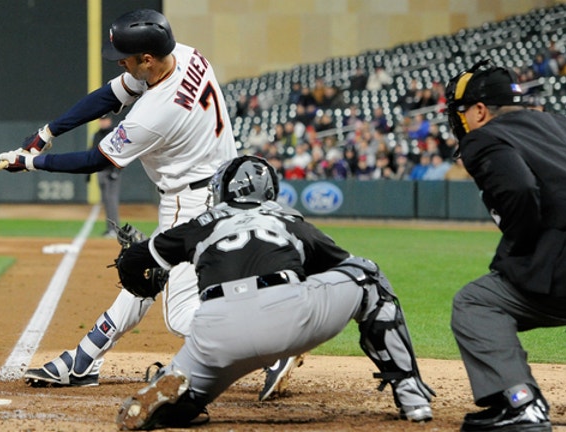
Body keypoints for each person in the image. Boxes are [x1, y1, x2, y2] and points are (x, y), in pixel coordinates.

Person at [0, 9, 298, 400]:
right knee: (143, 271)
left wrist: (31, 161)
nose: (120, 61)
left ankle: (272, 347)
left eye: (125, 57)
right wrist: (48, 131)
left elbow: (98, 160)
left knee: (179, 316)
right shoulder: (187, 55)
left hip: (190, 203)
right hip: (226, 188)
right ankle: (85, 360)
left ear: (148, 59)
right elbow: (109, 95)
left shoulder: (156, 113)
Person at [113, 155, 434, 430]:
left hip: (216, 332)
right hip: (287, 315)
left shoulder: (201, 223)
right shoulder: (289, 220)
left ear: (225, 189)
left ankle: (178, 400)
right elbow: (343, 265)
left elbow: (131, 260)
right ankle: (411, 393)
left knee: (185, 397)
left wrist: (142, 285)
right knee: (368, 276)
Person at [445, 59, 566, 432]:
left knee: (476, 304)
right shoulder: (559, 123)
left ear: (480, 110)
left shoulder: (483, 136)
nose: (461, 119)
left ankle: (521, 404)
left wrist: (520, 246)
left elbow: (518, 189)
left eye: (462, 110)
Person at [93, 115, 122, 238]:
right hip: (101, 171)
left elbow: (122, 152)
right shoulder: (97, 134)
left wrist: (116, 170)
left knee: (112, 202)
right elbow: (92, 152)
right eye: (101, 120)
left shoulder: (114, 134)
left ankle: (115, 230)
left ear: (109, 120)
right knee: (106, 202)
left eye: (104, 120)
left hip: (111, 172)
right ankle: (109, 228)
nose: (102, 122)